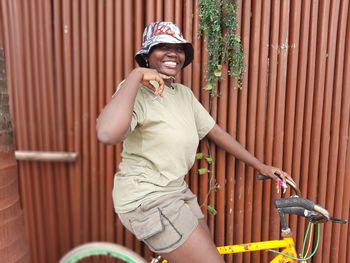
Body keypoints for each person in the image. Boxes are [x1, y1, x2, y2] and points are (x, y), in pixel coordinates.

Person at [96, 21, 294, 263]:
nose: (173, 53)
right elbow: (107, 134)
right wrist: (135, 76)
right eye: (162, 46)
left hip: (176, 192)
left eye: (179, 48)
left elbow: (216, 132)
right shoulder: (136, 92)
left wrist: (259, 165)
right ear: (147, 55)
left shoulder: (183, 95)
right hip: (147, 198)